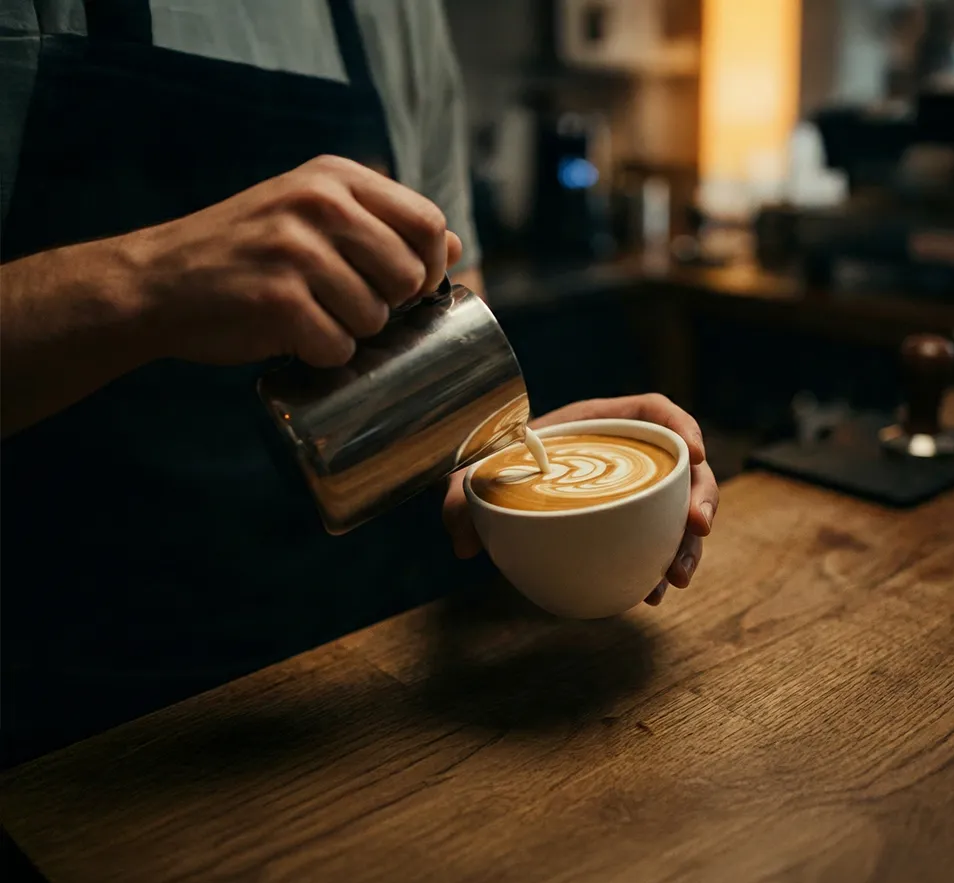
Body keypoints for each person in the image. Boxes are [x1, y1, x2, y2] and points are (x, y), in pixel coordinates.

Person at [0, 0, 718, 764]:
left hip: (370, 700)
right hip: (67, 720)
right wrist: (142, 282)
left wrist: (533, 501)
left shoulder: (398, 13)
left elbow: (448, 317)